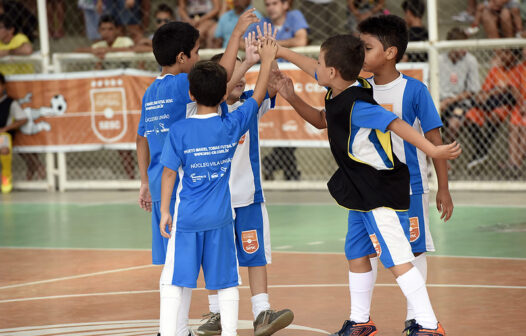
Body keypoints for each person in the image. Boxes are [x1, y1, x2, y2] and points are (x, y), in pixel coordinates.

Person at [271, 32, 461, 336]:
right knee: (357, 254)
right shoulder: (339, 90)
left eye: (319, 63)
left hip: (378, 190)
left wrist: (432, 150)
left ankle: (428, 324)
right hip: (358, 188)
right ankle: (360, 321)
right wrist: (289, 86)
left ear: (332, 72)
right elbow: (322, 118)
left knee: (398, 260)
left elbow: (395, 124)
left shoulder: (359, 104)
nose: (314, 67)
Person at [136, 11, 259, 336]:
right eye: (197, 52)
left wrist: (142, 183)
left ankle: (178, 329)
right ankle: (173, 330)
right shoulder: (181, 85)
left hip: (159, 181)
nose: (200, 57)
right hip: (182, 187)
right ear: (182, 58)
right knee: (179, 269)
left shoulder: (151, 91)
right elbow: (221, 77)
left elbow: (141, 137)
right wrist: (236, 34)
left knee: (175, 265)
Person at [157, 39, 278, 336]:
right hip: (222, 219)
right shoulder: (231, 126)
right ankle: (230, 332)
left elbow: (169, 174)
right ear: (224, 92)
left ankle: (170, 331)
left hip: (187, 218)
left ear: (191, 93)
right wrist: (265, 59)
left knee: (175, 280)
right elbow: (259, 94)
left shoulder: (180, 128)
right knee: (226, 280)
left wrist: (163, 211)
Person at [358, 14, 455, 332]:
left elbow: (434, 141)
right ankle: (360, 317)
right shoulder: (360, 90)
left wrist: (443, 188)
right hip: (371, 189)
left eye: (367, 47)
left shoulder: (414, 90)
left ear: (390, 52)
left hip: (410, 187)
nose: (360, 53)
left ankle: (417, 318)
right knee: (366, 250)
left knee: (414, 248)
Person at [197, 39, 293, 336]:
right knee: (215, 257)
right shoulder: (205, 113)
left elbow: (272, 85)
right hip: (216, 202)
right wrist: (248, 64)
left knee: (255, 255)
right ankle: (216, 313)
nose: (239, 79)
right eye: (232, 72)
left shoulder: (250, 105)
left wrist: (270, 57)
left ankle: (261, 311)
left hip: (248, 198)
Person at [245, 2, 309, 180]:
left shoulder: (294, 16)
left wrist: (273, 45)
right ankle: (290, 171)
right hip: (271, 81)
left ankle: (279, 166)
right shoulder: (263, 22)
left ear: (286, 4)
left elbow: (301, 40)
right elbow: (248, 45)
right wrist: (269, 47)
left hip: (295, 81)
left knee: (293, 126)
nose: (270, 7)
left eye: (274, 3)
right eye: (267, 4)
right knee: (282, 127)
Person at [464, 48, 519, 170]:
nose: (504, 56)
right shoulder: (495, 70)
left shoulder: (518, 70)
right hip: (490, 103)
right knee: (470, 115)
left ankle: (482, 151)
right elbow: (486, 89)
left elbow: (512, 91)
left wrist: (495, 92)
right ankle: (481, 150)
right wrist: (483, 96)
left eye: (507, 53)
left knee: (495, 116)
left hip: (505, 105)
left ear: (515, 56)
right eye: (503, 53)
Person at [438, 28, 481, 144]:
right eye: (461, 46)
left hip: (460, 102)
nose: (465, 49)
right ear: (452, 46)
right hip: (438, 100)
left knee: (454, 123)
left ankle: (444, 153)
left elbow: (472, 91)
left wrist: (449, 101)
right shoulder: (439, 59)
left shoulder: (471, 60)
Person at [0, 72, 27, 193]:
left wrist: (6, 128)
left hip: (3, 135)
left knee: (4, 149)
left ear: (3, 86)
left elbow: (23, 119)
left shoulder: (10, 103)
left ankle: (6, 177)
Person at [506, 48, 526, 179]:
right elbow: (514, 88)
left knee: (524, 128)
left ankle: (518, 161)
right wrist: (522, 103)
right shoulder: (519, 68)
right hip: (521, 105)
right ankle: (513, 162)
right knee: (514, 125)